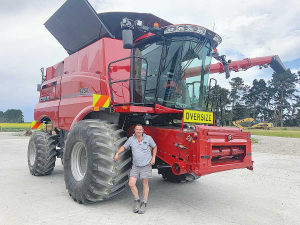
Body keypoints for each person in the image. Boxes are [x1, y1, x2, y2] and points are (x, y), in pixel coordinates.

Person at [114, 124, 157, 214]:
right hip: (136, 165)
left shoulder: (148, 138)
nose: (138, 131)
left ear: (143, 130)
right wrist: (117, 153)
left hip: (146, 165)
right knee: (131, 183)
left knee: (145, 183)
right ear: (134, 130)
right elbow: (124, 147)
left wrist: (153, 158)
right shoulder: (131, 139)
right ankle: (137, 201)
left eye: (140, 129)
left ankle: (144, 203)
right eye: (137, 129)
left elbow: (155, 146)